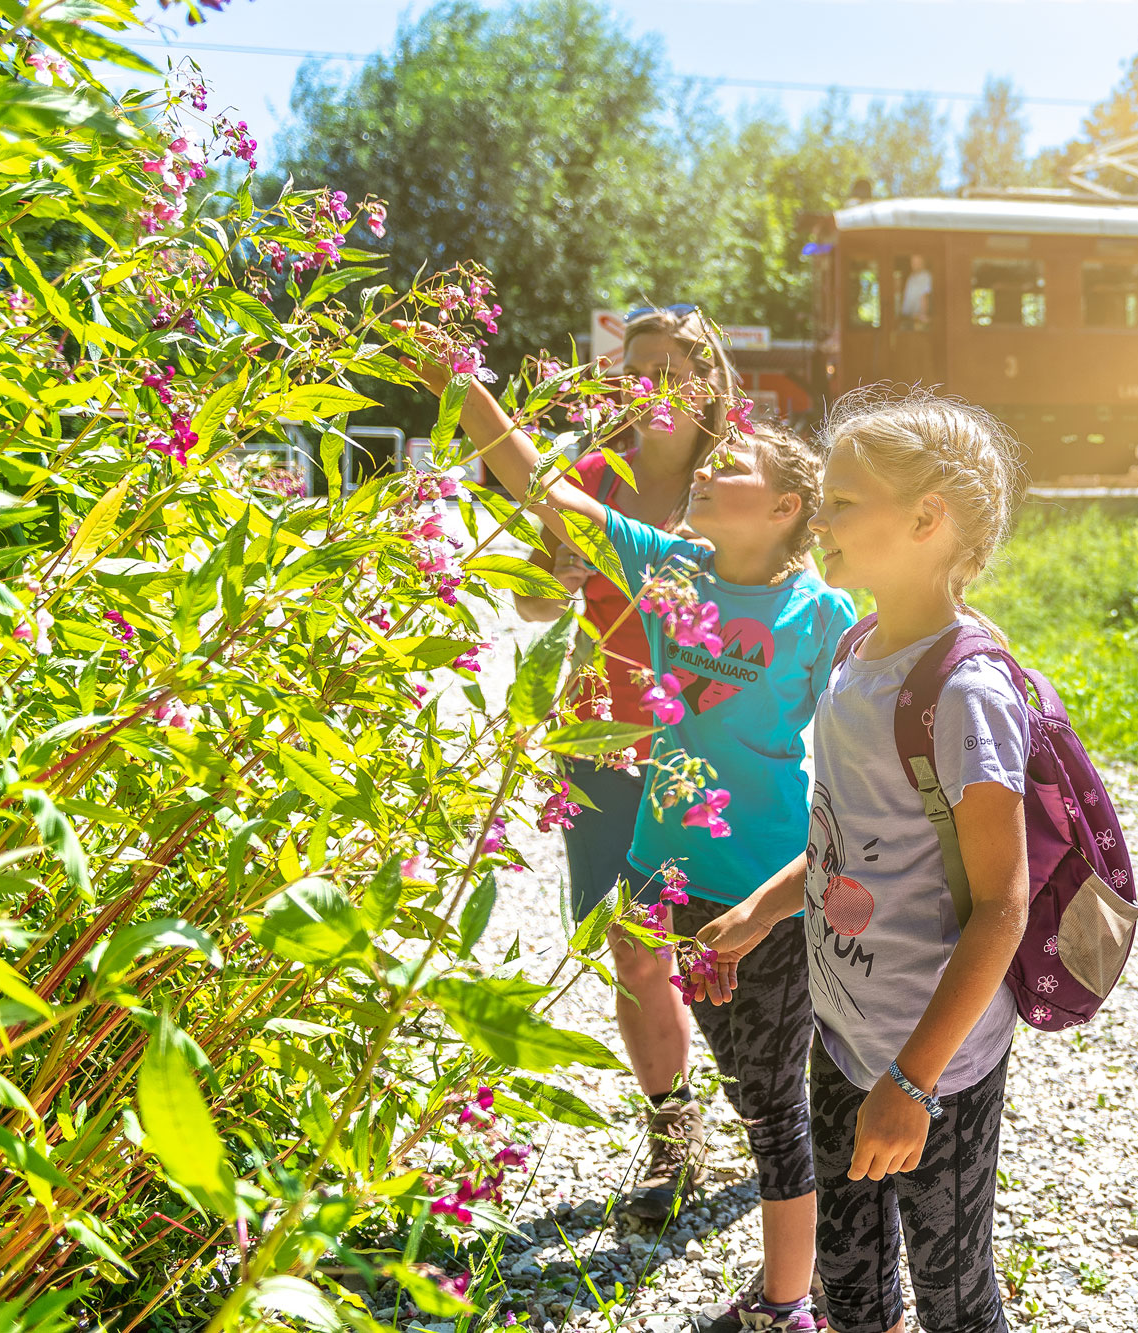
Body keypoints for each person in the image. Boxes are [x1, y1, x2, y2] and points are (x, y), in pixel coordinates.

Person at [405, 335, 856, 1333]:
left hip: (761, 893)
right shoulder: (666, 565)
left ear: (786, 509)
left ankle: (792, 1297)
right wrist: (464, 387)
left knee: (773, 1102)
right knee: (687, 1021)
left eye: (736, 464)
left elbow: (867, 743)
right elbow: (540, 484)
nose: (712, 465)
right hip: (657, 864)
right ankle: (690, 1148)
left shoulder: (822, 614)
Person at [696, 390, 1033, 1333]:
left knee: (955, 1298)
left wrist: (915, 1081)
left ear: (928, 518)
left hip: (939, 1061)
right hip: (843, 1033)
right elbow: (843, 837)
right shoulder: (854, 649)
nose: (821, 520)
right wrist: (764, 907)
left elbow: (1003, 906)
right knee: (849, 1286)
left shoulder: (964, 692)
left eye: (843, 502)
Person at [510, 306, 743, 1221]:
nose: (646, 387)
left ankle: (786, 1112)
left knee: (739, 940)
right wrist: (556, 579)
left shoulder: (740, 478)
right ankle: (673, 1132)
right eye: (633, 369)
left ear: (709, 381)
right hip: (601, 740)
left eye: (668, 368)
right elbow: (531, 603)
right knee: (633, 947)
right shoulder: (590, 477)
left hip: (715, 748)